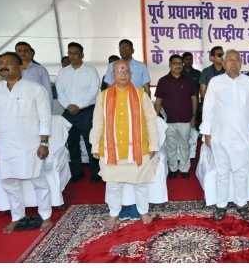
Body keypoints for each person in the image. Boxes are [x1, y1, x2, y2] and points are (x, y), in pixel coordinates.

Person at [0, 52, 54, 233]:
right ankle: (17, 216)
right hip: (4, 145)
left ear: (21, 66)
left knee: (38, 180)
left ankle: (46, 215)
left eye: (8, 62)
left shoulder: (35, 89)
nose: (3, 65)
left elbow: (45, 118)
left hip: (30, 145)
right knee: (7, 181)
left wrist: (44, 143)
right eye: (0, 63)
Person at [91, 60, 161, 229]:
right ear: (112, 75)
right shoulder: (103, 96)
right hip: (111, 149)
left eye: (126, 71)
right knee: (113, 185)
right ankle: (114, 213)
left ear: (131, 74)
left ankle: (143, 210)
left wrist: (153, 145)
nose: (122, 74)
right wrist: (94, 145)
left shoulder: (141, 95)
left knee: (140, 183)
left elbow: (151, 120)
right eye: (119, 72)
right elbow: (98, 122)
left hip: (138, 148)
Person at [199, 49, 249, 221]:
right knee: (222, 172)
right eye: (230, 59)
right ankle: (221, 205)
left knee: (241, 171)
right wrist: (207, 133)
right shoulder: (215, 82)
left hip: (243, 135)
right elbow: (208, 108)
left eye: (237, 59)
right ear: (224, 63)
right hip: (221, 135)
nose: (234, 62)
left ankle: (241, 203)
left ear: (241, 63)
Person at [56, 42, 101, 183]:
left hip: (86, 111)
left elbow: (93, 91)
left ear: (82, 55)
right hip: (68, 112)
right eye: (70, 53)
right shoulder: (63, 72)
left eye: (75, 53)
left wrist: (78, 106)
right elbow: (60, 91)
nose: (72, 55)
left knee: (91, 143)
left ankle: (95, 172)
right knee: (71, 143)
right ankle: (77, 171)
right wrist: (68, 105)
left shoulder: (91, 70)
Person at [154, 54, 198, 179]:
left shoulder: (189, 80)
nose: (178, 66)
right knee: (171, 145)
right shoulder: (163, 81)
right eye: (175, 63)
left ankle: (184, 168)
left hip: (186, 119)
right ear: (170, 65)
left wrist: (194, 116)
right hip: (169, 120)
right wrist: (155, 117)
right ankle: (173, 168)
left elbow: (194, 98)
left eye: (180, 63)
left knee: (185, 145)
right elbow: (159, 100)